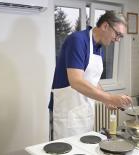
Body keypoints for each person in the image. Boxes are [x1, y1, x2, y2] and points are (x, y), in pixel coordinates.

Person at [49, 11, 132, 140]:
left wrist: (107, 100)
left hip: (84, 112)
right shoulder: (77, 40)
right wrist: (109, 98)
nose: (118, 40)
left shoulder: (99, 47)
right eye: (118, 34)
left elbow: (93, 81)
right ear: (105, 26)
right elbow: (76, 81)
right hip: (67, 111)